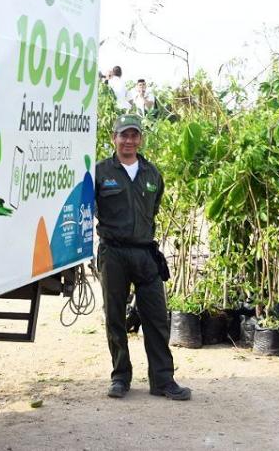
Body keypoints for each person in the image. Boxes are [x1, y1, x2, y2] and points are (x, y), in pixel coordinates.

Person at [94, 113, 191, 401]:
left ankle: (162, 380)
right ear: (114, 138)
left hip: (145, 253)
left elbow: (154, 207)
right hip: (113, 252)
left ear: (140, 139)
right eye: (124, 135)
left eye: (134, 135)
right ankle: (120, 378)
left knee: (157, 318)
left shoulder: (152, 173)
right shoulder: (101, 172)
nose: (129, 141)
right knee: (115, 316)